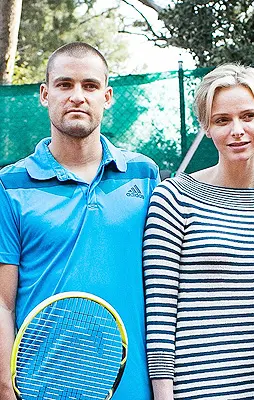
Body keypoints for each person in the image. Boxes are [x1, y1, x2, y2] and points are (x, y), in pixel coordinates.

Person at [0, 42, 158, 399]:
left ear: (107, 96)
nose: (77, 96)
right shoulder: (9, 185)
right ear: (44, 94)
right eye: (64, 85)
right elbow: (2, 302)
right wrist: (5, 388)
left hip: (135, 387)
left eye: (89, 86)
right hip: (41, 389)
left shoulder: (144, 174)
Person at [143, 64, 254, 399]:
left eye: (248, 116)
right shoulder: (173, 197)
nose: (237, 130)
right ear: (206, 128)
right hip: (197, 390)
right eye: (222, 120)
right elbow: (159, 312)